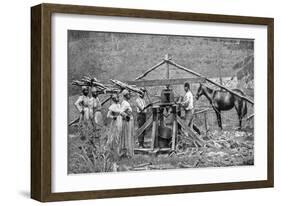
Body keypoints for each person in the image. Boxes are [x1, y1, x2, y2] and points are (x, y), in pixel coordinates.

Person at [107, 93, 123, 158]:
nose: (118, 99)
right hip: (115, 122)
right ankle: (113, 152)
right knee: (114, 136)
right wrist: (113, 117)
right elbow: (108, 115)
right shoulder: (112, 106)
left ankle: (118, 151)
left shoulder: (119, 105)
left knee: (119, 135)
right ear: (113, 99)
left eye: (118, 97)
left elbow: (121, 112)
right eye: (117, 98)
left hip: (120, 120)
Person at [120, 90, 134, 158]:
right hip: (128, 121)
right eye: (128, 95)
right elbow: (121, 112)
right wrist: (126, 116)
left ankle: (127, 152)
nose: (130, 96)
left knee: (128, 136)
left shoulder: (125, 103)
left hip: (128, 121)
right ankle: (127, 153)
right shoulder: (125, 104)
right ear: (125, 96)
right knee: (128, 136)